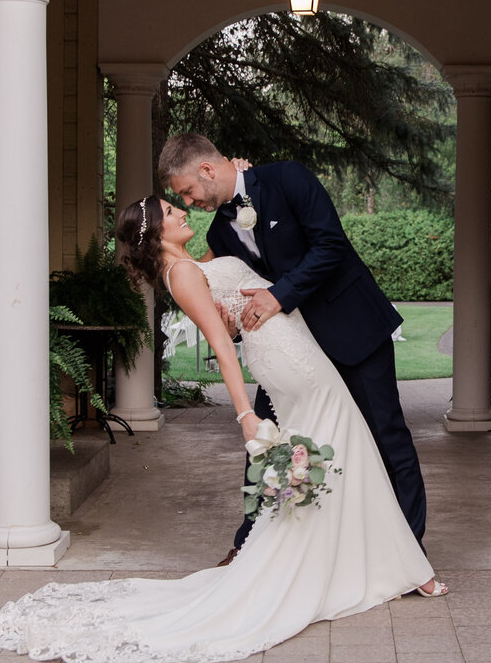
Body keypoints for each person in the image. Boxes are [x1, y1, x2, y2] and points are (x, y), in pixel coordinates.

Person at [0, 196, 446, 663]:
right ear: (155, 230)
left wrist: (240, 194)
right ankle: (399, 568)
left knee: (337, 454)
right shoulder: (181, 274)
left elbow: (234, 264)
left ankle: (366, 564)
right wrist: (245, 414)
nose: (181, 213)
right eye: (170, 211)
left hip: (286, 347)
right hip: (290, 360)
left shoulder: (189, 263)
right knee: (349, 445)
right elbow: (221, 345)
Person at [159, 133, 428, 562]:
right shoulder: (222, 232)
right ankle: (247, 546)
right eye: (181, 199)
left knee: (386, 437)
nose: (189, 203)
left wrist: (279, 295)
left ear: (207, 170)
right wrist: (230, 325)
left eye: (187, 191)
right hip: (292, 351)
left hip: (352, 329)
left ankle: (409, 554)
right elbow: (224, 291)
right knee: (266, 440)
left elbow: (331, 246)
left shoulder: (287, 177)